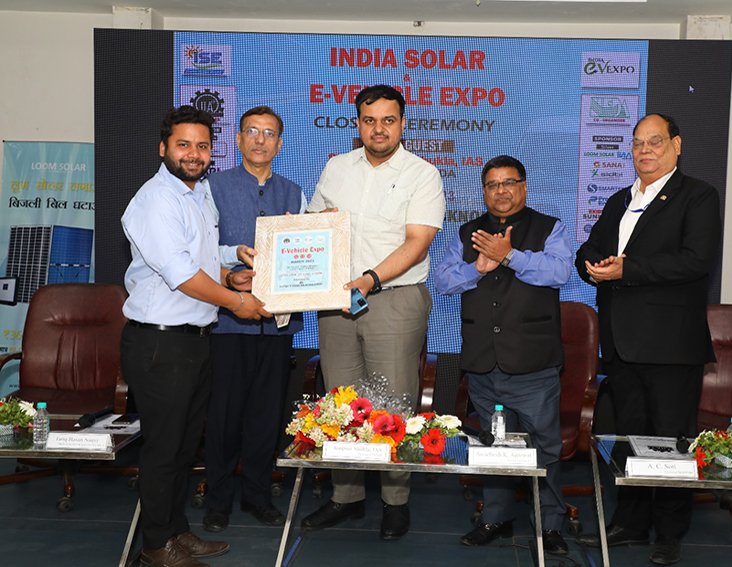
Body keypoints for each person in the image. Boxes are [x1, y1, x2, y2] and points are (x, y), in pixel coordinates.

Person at [120, 105, 271, 567]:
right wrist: (237, 302)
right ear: (162, 148)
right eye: (183, 145)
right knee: (163, 450)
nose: (193, 154)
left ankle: (175, 531)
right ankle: (155, 546)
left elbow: (200, 260)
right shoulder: (155, 200)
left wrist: (230, 272)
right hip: (160, 343)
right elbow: (182, 274)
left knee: (185, 447)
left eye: (202, 146)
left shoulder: (198, 192)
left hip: (193, 339)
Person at [575, 113, 721, 566]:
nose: (644, 151)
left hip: (670, 345)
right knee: (629, 437)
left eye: (654, 142)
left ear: (677, 145)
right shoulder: (620, 199)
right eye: (637, 143)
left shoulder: (697, 196)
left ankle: (670, 532)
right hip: (621, 344)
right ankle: (632, 522)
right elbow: (591, 247)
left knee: (671, 442)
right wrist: (590, 266)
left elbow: (696, 260)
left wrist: (627, 269)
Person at [300, 84, 445, 540]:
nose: (378, 129)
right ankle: (346, 496)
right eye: (369, 120)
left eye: (388, 120)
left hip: (394, 298)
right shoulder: (336, 168)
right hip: (336, 302)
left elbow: (417, 242)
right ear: (357, 123)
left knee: (393, 402)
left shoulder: (423, 174)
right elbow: (313, 229)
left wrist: (369, 279)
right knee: (340, 401)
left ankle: (395, 501)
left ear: (402, 124)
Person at [434, 155, 572, 556]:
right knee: (493, 446)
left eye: (509, 182)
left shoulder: (550, 227)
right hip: (483, 363)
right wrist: (476, 268)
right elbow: (442, 281)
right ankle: (495, 517)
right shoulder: (466, 232)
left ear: (524, 187)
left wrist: (510, 256)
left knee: (544, 448)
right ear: (484, 191)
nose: (501, 191)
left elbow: (559, 272)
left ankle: (551, 524)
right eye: (493, 184)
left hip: (533, 365)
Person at [201, 106, 307, 533]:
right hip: (228, 322)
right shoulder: (211, 188)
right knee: (224, 416)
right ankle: (218, 500)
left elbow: (306, 253)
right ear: (238, 139)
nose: (260, 140)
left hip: (277, 325)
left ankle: (258, 496)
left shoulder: (294, 193)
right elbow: (198, 249)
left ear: (280, 144)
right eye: (252, 131)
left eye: (269, 133)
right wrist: (232, 262)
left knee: (267, 416)